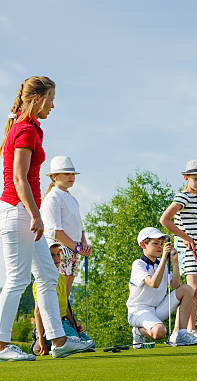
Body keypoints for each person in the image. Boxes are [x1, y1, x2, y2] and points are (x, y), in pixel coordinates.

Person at [0, 76, 93, 361]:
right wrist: (36, 214)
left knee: (49, 275)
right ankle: (1, 345)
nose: (53, 105)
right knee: (17, 278)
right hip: (19, 212)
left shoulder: (29, 127)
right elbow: (18, 177)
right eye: (50, 99)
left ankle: (60, 341)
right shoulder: (24, 129)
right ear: (38, 98)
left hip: (25, 212)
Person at [160, 159, 197, 341]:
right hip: (187, 247)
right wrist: (185, 237)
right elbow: (165, 220)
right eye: (195, 179)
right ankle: (184, 331)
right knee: (192, 288)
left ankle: (189, 330)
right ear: (186, 178)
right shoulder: (182, 197)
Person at [127, 227, 197, 346]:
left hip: (158, 309)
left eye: (161, 244)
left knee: (187, 289)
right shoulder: (138, 264)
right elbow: (153, 283)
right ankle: (138, 330)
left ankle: (181, 334)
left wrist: (175, 262)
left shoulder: (161, 265)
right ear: (143, 245)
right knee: (159, 332)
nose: (160, 247)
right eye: (155, 243)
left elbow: (176, 285)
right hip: (138, 311)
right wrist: (163, 259)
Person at [31, 242, 95, 356]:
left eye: (58, 254)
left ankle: (54, 341)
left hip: (64, 322)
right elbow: (38, 313)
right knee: (82, 344)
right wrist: (40, 339)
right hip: (50, 324)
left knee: (90, 344)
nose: (56, 258)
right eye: (52, 255)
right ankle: (40, 341)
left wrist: (75, 324)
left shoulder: (61, 278)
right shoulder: (40, 282)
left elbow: (65, 307)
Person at [40, 155, 92, 296]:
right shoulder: (52, 198)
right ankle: (46, 319)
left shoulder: (72, 199)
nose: (71, 177)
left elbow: (80, 227)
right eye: (67, 173)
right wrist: (79, 248)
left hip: (73, 249)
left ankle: (63, 317)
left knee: (65, 294)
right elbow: (55, 232)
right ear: (54, 177)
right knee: (53, 292)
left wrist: (84, 244)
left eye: (72, 174)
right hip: (59, 250)